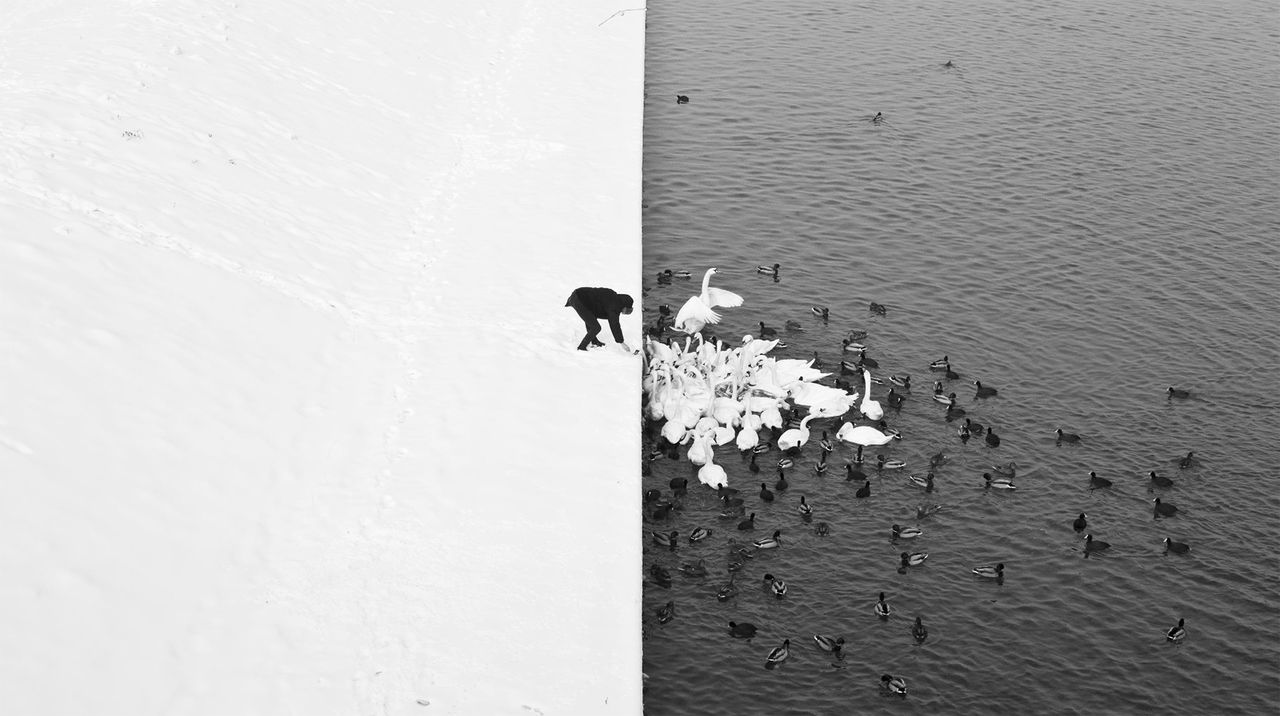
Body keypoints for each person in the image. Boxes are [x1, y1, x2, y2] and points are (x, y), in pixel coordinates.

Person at [565, 287, 634, 351]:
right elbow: (614, 324)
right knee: (596, 327)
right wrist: (621, 342)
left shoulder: (613, 297)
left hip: (580, 296)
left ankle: (594, 341)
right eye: (626, 310)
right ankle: (581, 347)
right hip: (579, 299)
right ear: (624, 305)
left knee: (592, 319)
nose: (623, 312)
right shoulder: (614, 306)